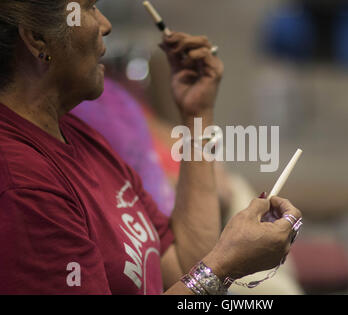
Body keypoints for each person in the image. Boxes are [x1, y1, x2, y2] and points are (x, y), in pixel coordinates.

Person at [0, 0, 301, 294]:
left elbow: (183, 265)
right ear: (37, 38)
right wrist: (225, 266)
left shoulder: (77, 136)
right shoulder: (23, 187)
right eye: (89, 8)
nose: (105, 25)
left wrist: (197, 114)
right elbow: (202, 272)